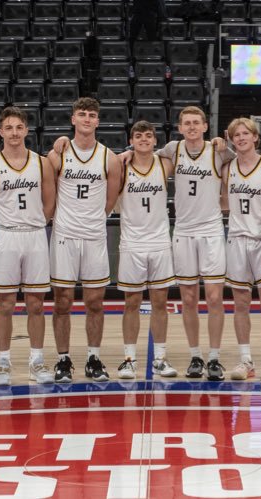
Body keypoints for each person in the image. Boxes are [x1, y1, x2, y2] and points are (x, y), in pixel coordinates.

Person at [46, 97, 124, 382]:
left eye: (92, 115)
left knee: (95, 301)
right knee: (62, 301)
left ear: (98, 121)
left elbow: (111, 200)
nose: (87, 119)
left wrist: (92, 219)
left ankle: (93, 357)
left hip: (94, 236)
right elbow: (49, 190)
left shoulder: (109, 158)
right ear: (73, 119)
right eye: (82, 114)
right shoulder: (57, 154)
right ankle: (63, 359)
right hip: (64, 235)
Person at [0, 108, 56, 384]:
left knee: (36, 304)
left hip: (35, 235)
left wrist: (34, 223)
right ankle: (3, 362)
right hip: (6, 236)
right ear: (0, 132)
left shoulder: (41, 163)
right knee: (5, 304)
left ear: (26, 130)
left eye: (19, 127)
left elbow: (50, 203)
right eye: (9, 128)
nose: (14, 133)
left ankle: (37, 361)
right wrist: (5, 228)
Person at [155, 107, 229, 380]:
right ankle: (195, 356)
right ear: (180, 128)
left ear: (205, 126)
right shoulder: (173, 149)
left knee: (214, 298)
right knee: (188, 299)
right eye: (186, 123)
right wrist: (127, 153)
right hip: (184, 230)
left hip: (211, 230)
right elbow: (144, 156)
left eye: (196, 122)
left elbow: (247, 157)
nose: (192, 127)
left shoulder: (219, 150)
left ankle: (214, 358)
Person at [222, 117, 261, 381]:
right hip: (236, 239)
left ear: (256, 137)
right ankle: (246, 360)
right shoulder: (227, 168)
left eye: (246, 133)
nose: (241, 138)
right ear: (231, 139)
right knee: (241, 304)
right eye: (236, 135)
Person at [115, 121, 172, 380]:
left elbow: (190, 152)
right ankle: (129, 360)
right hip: (132, 243)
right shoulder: (121, 166)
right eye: (138, 136)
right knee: (132, 303)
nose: (144, 139)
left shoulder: (165, 163)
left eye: (149, 135)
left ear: (155, 141)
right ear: (131, 140)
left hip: (159, 242)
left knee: (160, 303)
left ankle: (160, 359)